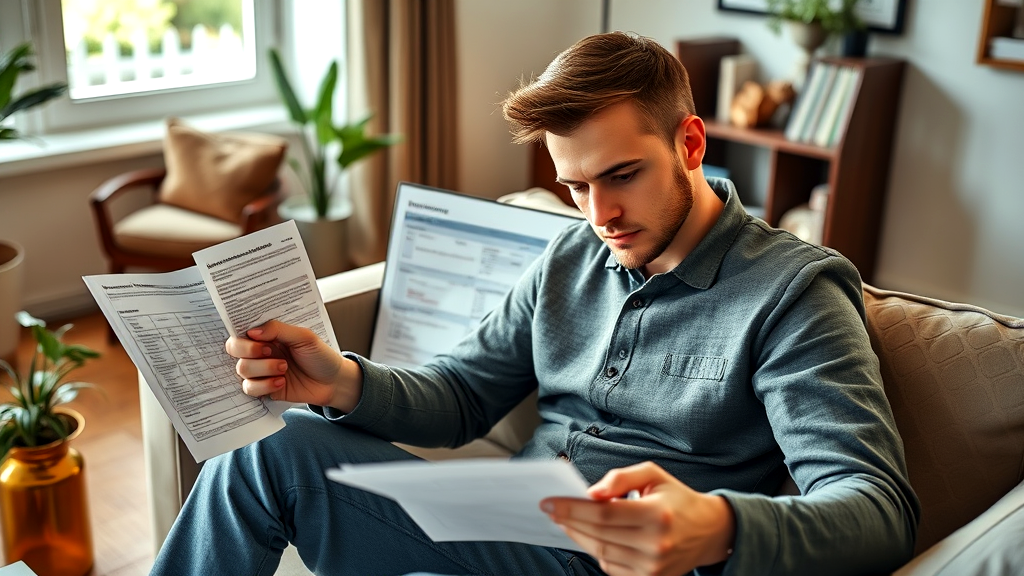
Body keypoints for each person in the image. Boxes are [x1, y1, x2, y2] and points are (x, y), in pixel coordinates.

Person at [151, 32, 919, 576]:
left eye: (622, 174)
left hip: (623, 564)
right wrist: (339, 382)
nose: (600, 214)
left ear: (689, 144)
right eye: (576, 185)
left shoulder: (794, 292)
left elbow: (877, 507)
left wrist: (718, 526)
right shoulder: (571, 255)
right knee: (266, 450)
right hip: (499, 529)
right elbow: (459, 396)